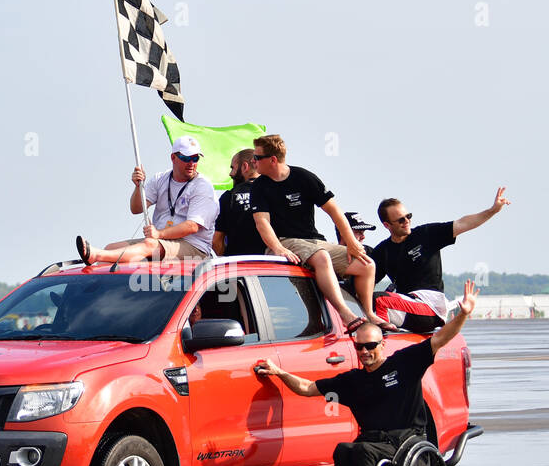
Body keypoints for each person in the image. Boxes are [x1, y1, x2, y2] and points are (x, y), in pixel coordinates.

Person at [254, 279, 479, 466]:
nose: (364, 351)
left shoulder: (404, 363)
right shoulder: (353, 381)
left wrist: (463, 313)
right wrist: (279, 372)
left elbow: (440, 339)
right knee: (343, 450)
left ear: (382, 344)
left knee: (361, 452)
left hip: (405, 440)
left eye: (370, 346)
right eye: (359, 346)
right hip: (371, 441)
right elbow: (307, 387)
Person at [248, 134, 389, 333]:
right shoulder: (260, 186)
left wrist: (350, 242)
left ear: (272, 160)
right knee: (322, 257)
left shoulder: (303, 177)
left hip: (314, 242)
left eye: (257, 157)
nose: (253, 161)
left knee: (367, 264)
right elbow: (262, 223)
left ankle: (369, 314)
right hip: (285, 241)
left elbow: (334, 211)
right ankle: (345, 313)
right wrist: (278, 248)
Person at [372, 188, 509, 329]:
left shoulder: (425, 234)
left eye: (409, 216)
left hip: (430, 307)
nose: (407, 221)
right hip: (405, 308)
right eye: (401, 220)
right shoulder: (383, 251)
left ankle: (379, 341)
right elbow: (363, 282)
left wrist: (493, 210)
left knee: (379, 299)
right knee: (369, 302)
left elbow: (463, 223)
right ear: (387, 225)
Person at [75, 136, 220, 265]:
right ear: (173, 158)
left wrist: (159, 234)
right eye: (186, 158)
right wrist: (138, 187)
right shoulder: (160, 179)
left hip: (193, 246)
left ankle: (95, 255)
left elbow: (192, 227)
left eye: (195, 158)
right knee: (111, 249)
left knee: (149, 245)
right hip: (161, 241)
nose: (191, 163)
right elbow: (137, 208)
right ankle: (85, 290)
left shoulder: (203, 186)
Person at [212, 148, 263, 257]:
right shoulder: (274, 192)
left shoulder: (228, 197)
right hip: (274, 266)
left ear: (245, 167)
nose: (230, 174)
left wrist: (225, 260)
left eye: (233, 168)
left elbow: (216, 241)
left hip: (237, 267)